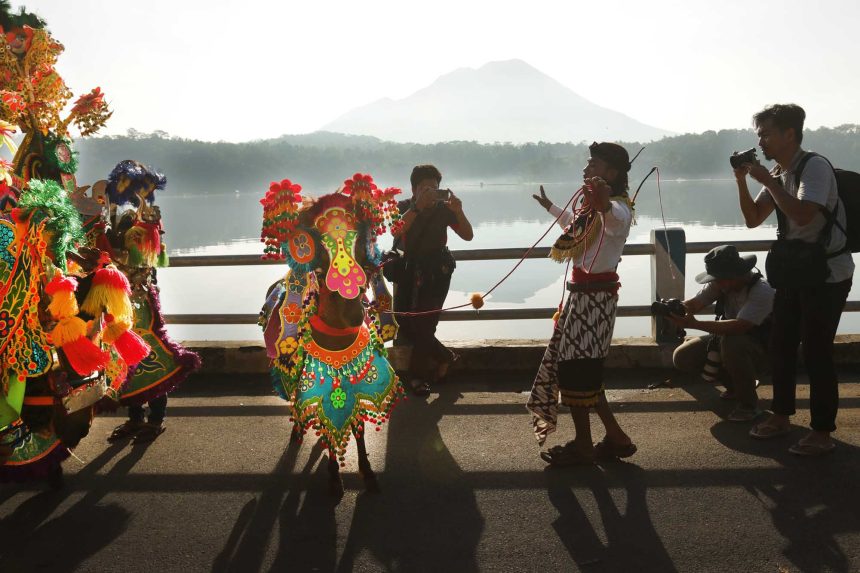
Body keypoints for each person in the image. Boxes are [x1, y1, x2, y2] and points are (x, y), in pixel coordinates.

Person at [735, 103, 853, 456]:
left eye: (767, 134)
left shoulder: (814, 167)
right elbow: (753, 218)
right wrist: (743, 181)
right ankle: (781, 416)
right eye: (759, 135)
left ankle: (822, 432)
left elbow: (802, 215)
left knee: (817, 352)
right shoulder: (779, 171)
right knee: (781, 345)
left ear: (790, 134)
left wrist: (769, 182)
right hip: (795, 273)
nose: (762, 141)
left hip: (827, 275)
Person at [527, 142, 636, 465]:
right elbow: (574, 227)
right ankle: (616, 437)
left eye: (593, 165)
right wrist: (550, 206)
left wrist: (602, 204)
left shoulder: (619, 208)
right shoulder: (591, 211)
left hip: (595, 300)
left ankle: (585, 445)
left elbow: (614, 217)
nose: (586, 170)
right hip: (581, 298)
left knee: (576, 371)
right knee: (585, 373)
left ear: (611, 173)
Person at [392, 165, 473, 396]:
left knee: (425, 324)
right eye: (425, 188)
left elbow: (468, 235)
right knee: (404, 321)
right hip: (409, 271)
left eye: (435, 189)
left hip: (438, 271)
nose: (431, 194)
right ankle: (446, 357)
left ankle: (417, 378)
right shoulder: (403, 207)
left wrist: (458, 211)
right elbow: (395, 231)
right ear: (414, 189)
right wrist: (417, 207)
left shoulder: (445, 209)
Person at [669, 245, 775, 421]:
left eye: (720, 279)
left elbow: (739, 326)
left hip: (764, 348)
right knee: (682, 356)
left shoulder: (762, 291)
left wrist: (695, 324)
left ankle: (748, 405)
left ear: (736, 274)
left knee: (732, 344)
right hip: (731, 340)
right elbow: (694, 304)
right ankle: (735, 387)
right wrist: (674, 309)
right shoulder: (721, 284)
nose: (716, 283)